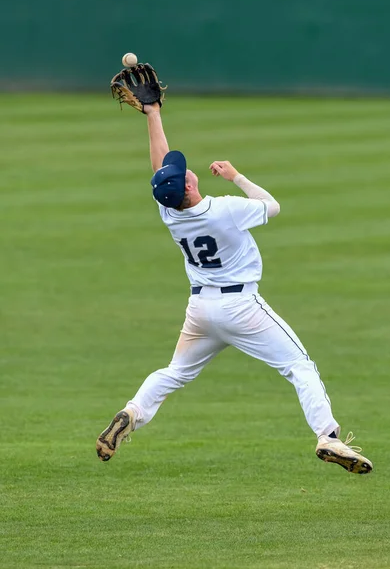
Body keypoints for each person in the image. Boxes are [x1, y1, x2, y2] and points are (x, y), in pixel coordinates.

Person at [96, 100, 373, 474]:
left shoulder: (170, 212)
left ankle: (132, 411)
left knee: (174, 373)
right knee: (299, 365)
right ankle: (329, 436)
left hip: (200, 313)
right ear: (191, 186)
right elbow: (271, 206)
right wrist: (236, 177)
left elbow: (161, 169)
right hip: (241, 308)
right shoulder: (224, 208)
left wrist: (153, 114)